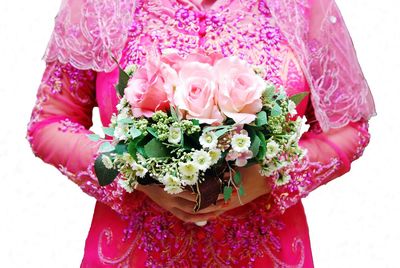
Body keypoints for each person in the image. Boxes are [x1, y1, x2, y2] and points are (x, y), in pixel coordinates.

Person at [26, 0, 376, 266]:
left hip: (265, 248)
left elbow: (349, 126)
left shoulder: (304, 7)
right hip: (135, 248)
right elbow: (50, 122)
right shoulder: (99, 7)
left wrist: (273, 177)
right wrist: (136, 175)